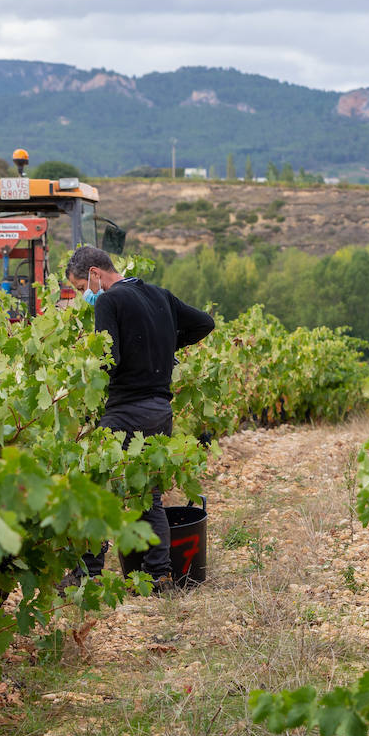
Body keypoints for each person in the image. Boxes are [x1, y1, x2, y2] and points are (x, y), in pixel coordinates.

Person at [65, 246, 215, 588]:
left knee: (94, 488)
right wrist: (165, 345)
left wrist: (83, 374)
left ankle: (87, 573)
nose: (83, 296)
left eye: (80, 288)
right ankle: (159, 572)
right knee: (149, 493)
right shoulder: (159, 295)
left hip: (124, 411)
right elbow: (205, 323)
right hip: (160, 411)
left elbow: (109, 360)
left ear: (94, 275)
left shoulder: (107, 301)